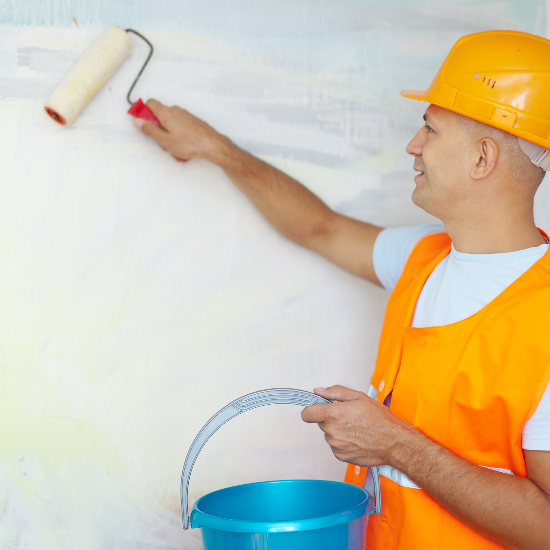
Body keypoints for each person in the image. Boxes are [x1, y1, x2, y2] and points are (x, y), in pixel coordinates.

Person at [133, 30, 550, 550]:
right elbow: (320, 228)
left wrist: (395, 444)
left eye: (430, 128)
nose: (413, 145)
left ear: (482, 158)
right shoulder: (423, 257)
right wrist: (215, 149)